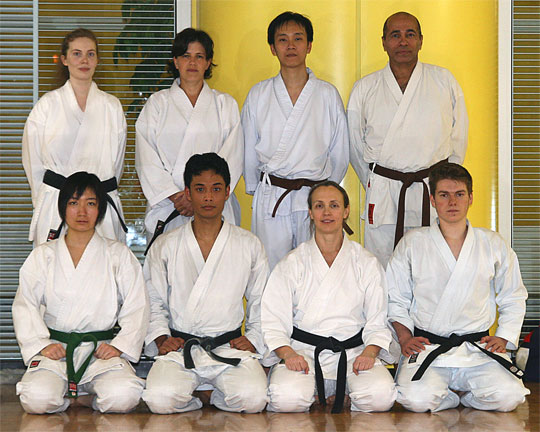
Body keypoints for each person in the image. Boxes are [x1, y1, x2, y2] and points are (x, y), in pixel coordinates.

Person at [387, 163, 530, 412]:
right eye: (444, 195)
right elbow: (395, 298)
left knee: (510, 397)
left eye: (459, 194)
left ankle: (462, 397)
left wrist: (504, 336)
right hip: (429, 347)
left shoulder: (493, 243)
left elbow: (513, 296)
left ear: (470, 198)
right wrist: (405, 337)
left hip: (478, 349)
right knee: (415, 400)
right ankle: (452, 397)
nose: (452, 202)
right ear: (433, 200)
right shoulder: (412, 243)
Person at [13, 172, 149, 414]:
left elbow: (137, 306)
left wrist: (119, 346)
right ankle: (77, 398)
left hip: (101, 351)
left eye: (91, 203)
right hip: (57, 350)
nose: (82, 212)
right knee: (36, 399)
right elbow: (25, 305)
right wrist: (41, 344)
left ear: (101, 209)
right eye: (74, 203)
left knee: (125, 396)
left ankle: (79, 397)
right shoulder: (43, 255)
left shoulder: (118, 255)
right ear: (63, 208)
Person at [142, 153, 268, 414]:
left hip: (229, 348)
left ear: (227, 192)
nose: (208, 197)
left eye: (216, 189)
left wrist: (254, 338)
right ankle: (201, 397)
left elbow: (261, 299)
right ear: (188, 194)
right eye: (200, 189)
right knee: (158, 399)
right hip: (181, 348)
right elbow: (152, 300)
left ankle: (210, 394)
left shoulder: (248, 244)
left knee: (254, 399)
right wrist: (162, 337)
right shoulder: (166, 244)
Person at [261, 181, 396, 413]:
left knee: (381, 398)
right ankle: (327, 392)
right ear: (310, 213)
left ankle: (336, 392)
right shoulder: (292, 262)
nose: (326, 212)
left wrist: (370, 352)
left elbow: (378, 318)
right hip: (304, 352)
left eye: (334, 205)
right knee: (286, 400)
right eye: (319, 206)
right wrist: (288, 354)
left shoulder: (366, 262)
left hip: (354, 353)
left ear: (345, 211)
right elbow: (273, 319)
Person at [347, 12, 469, 267]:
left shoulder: (443, 81)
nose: (403, 41)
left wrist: (443, 184)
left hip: (430, 190)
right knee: (382, 268)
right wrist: (375, 181)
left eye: (410, 34)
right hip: (384, 192)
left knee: (434, 266)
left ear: (421, 40)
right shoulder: (365, 88)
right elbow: (355, 146)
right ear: (383, 42)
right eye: (395, 35)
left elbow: (458, 137)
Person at [242, 11, 349, 269]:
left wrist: (325, 192)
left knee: (315, 268)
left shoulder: (327, 94)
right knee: (270, 270)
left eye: (298, 38)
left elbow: (340, 152)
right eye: (283, 39)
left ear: (309, 45)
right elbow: (247, 150)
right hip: (272, 195)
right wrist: (257, 188)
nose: (290, 46)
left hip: (314, 196)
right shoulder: (258, 94)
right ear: (272, 47)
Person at [136, 28, 243, 249]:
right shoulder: (157, 104)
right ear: (175, 61)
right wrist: (177, 196)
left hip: (213, 203)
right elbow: (146, 158)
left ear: (208, 62)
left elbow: (233, 156)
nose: (192, 62)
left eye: (199, 56)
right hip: (169, 205)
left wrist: (203, 194)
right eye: (186, 56)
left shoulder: (225, 105)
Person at [22, 28, 127, 246]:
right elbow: (33, 164)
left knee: (103, 264)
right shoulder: (47, 106)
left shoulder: (112, 106)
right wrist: (47, 198)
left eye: (90, 54)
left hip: (99, 203)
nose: (84, 60)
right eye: (77, 54)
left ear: (97, 60)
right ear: (64, 59)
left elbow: (117, 164)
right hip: (58, 202)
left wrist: (95, 193)